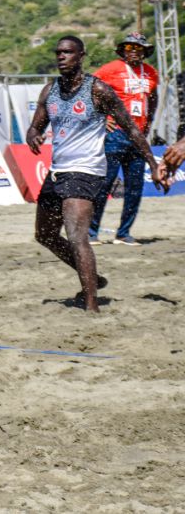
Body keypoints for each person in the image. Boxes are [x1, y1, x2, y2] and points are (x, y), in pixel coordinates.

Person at [25, 36, 165, 312]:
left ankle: (91, 305)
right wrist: (33, 135)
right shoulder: (49, 90)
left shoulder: (97, 90)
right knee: (45, 235)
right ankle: (95, 280)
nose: (61, 56)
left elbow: (131, 128)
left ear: (81, 56)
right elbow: (36, 126)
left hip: (86, 170)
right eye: (58, 52)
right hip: (58, 170)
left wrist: (152, 162)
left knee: (78, 237)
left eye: (67, 52)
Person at [89, 32, 159, 246]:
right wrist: (101, 118)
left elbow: (153, 99)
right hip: (115, 134)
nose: (134, 52)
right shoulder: (110, 69)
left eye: (138, 48)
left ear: (145, 51)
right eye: (129, 48)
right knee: (105, 184)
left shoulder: (150, 73)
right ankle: (91, 233)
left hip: (138, 137)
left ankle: (123, 233)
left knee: (135, 187)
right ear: (123, 51)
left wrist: (148, 124)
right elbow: (88, 90)